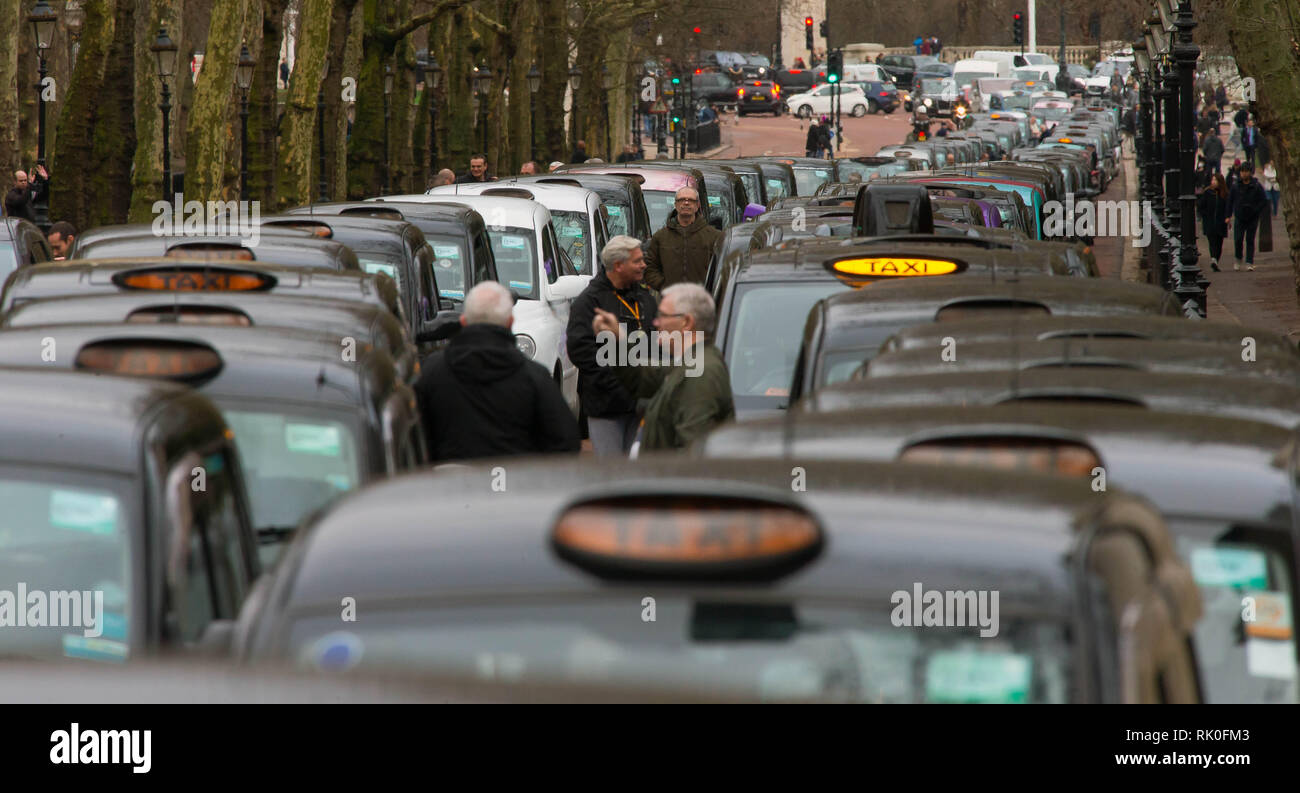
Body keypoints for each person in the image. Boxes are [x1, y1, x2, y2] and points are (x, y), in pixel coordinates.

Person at [414, 281, 580, 461]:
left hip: (449, 483)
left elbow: (413, 437)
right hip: (514, 483)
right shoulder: (535, 378)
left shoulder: (431, 372)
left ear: (463, 321)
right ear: (510, 323)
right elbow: (566, 441)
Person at [590, 283, 734, 452]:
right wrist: (617, 339)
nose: (656, 322)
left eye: (663, 315)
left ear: (686, 322)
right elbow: (642, 377)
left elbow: (692, 458)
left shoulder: (700, 373)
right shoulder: (691, 362)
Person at [565, 236, 659, 456]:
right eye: (637, 261)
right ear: (618, 265)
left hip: (641, 405)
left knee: (637, 471)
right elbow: (581, 351)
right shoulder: (589, 302)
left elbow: (656, 342)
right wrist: (617, 381)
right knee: (612, 473)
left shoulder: (645, 298)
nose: (643, 265)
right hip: (606, 406)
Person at [643, 186, 722, 290]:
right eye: (681, 200)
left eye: (691, 200)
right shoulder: (660, 237)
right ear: (675, 204)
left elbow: (721, 269)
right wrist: (664, 286)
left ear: (697, 205)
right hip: (670, 301)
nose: (686, 203)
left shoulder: (714, 236)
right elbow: (650, 268)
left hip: (702, 300)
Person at [1228, 161, 1269, 271]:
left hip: (1252, 217)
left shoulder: (1256, 186)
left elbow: (1263, 200)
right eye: (1242, 171)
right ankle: (1238, 258)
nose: (1244, 174)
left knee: (1250, 240)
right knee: (1238, 239)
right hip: (1240, 216)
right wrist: (1228, 215)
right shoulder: (1236, 186)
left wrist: (1256, 210)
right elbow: (1230, 201)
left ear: (1250, 172)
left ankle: (1249, 262)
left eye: (1246, 171)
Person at [1197, 172, 1229, 272]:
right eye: (1212, 180)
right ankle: (1213, 259)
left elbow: (1227, 207)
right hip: (1209, 222)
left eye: (1215, 180)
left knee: (1219, 243)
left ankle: (1215, 260)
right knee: (1212, 242)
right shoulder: (1207, 193)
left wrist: (1227, 218)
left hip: (1221, 223)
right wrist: (1204, 215)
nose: (1213, 182)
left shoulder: (1224, 194)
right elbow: (1201, 206)